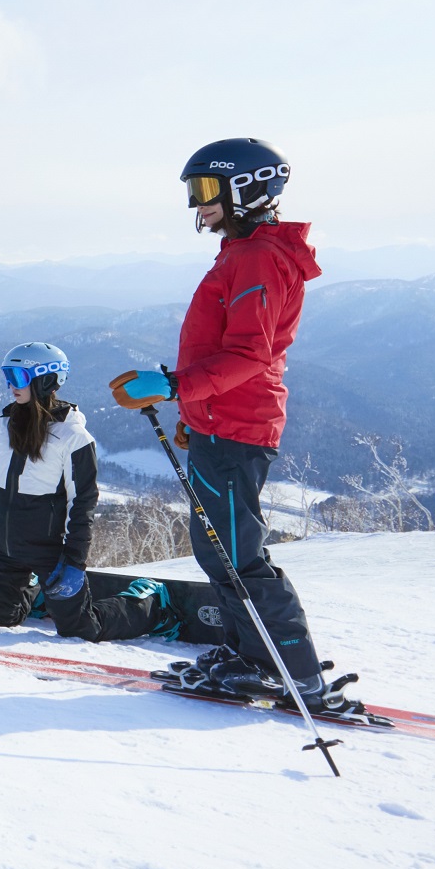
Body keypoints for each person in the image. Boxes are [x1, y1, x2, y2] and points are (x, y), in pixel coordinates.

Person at [111, 136, 339, 709]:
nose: (197, 202)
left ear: (247, 189)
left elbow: (249, 355)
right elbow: (222, 350)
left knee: (238, 555)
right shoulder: (242, 252)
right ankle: (249, 654)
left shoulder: (257, 257)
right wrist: (192, 412)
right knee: (218, 552)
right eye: (194, 190)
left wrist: (176, 388)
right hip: (221, 422)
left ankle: (295, 672)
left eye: (207, 188)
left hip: (238, 427)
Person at [0, 343, 171, 642]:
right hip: (3, 547)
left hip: (51, 552)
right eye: (8, 376)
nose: (11, 385)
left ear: (45, 380)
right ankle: (38, 593)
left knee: (81, 629)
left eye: (18, 377)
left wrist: (75, 561)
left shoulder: (73, 436)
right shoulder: (3, 425)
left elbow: (83, 503)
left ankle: (150, 603)